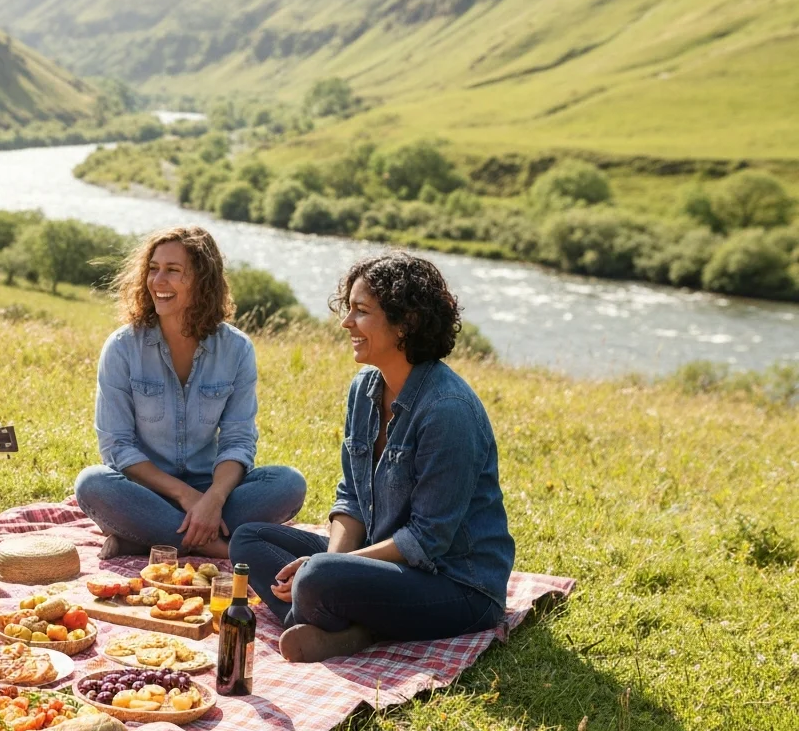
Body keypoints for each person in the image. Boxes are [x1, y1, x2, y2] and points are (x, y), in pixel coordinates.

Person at [230, 251, 515, 662]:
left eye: (360, 311)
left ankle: (337, 621)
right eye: (348, 310)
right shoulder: (364, 388)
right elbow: (351, 498)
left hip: (458, 586)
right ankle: (349, 624)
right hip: (385, 563)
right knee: (248, 539)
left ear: (407, 322)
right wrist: (331, 560)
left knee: (317, 574)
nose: (346, 323)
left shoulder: (447, 409)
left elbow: (428, 540)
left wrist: (325, 568)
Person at [75, 226, 306, 560]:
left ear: (202, 281)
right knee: (92, 483)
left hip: (212, 491)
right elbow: (117, 446)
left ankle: (146, 537)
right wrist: (186, 498)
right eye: (153, 269)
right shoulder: (123, 348)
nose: (157, 281)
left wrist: (212, 499)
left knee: (288, 484)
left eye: (173, 271)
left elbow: (238, 441)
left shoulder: (237, 349)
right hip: (145, 492)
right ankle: (217, 547)